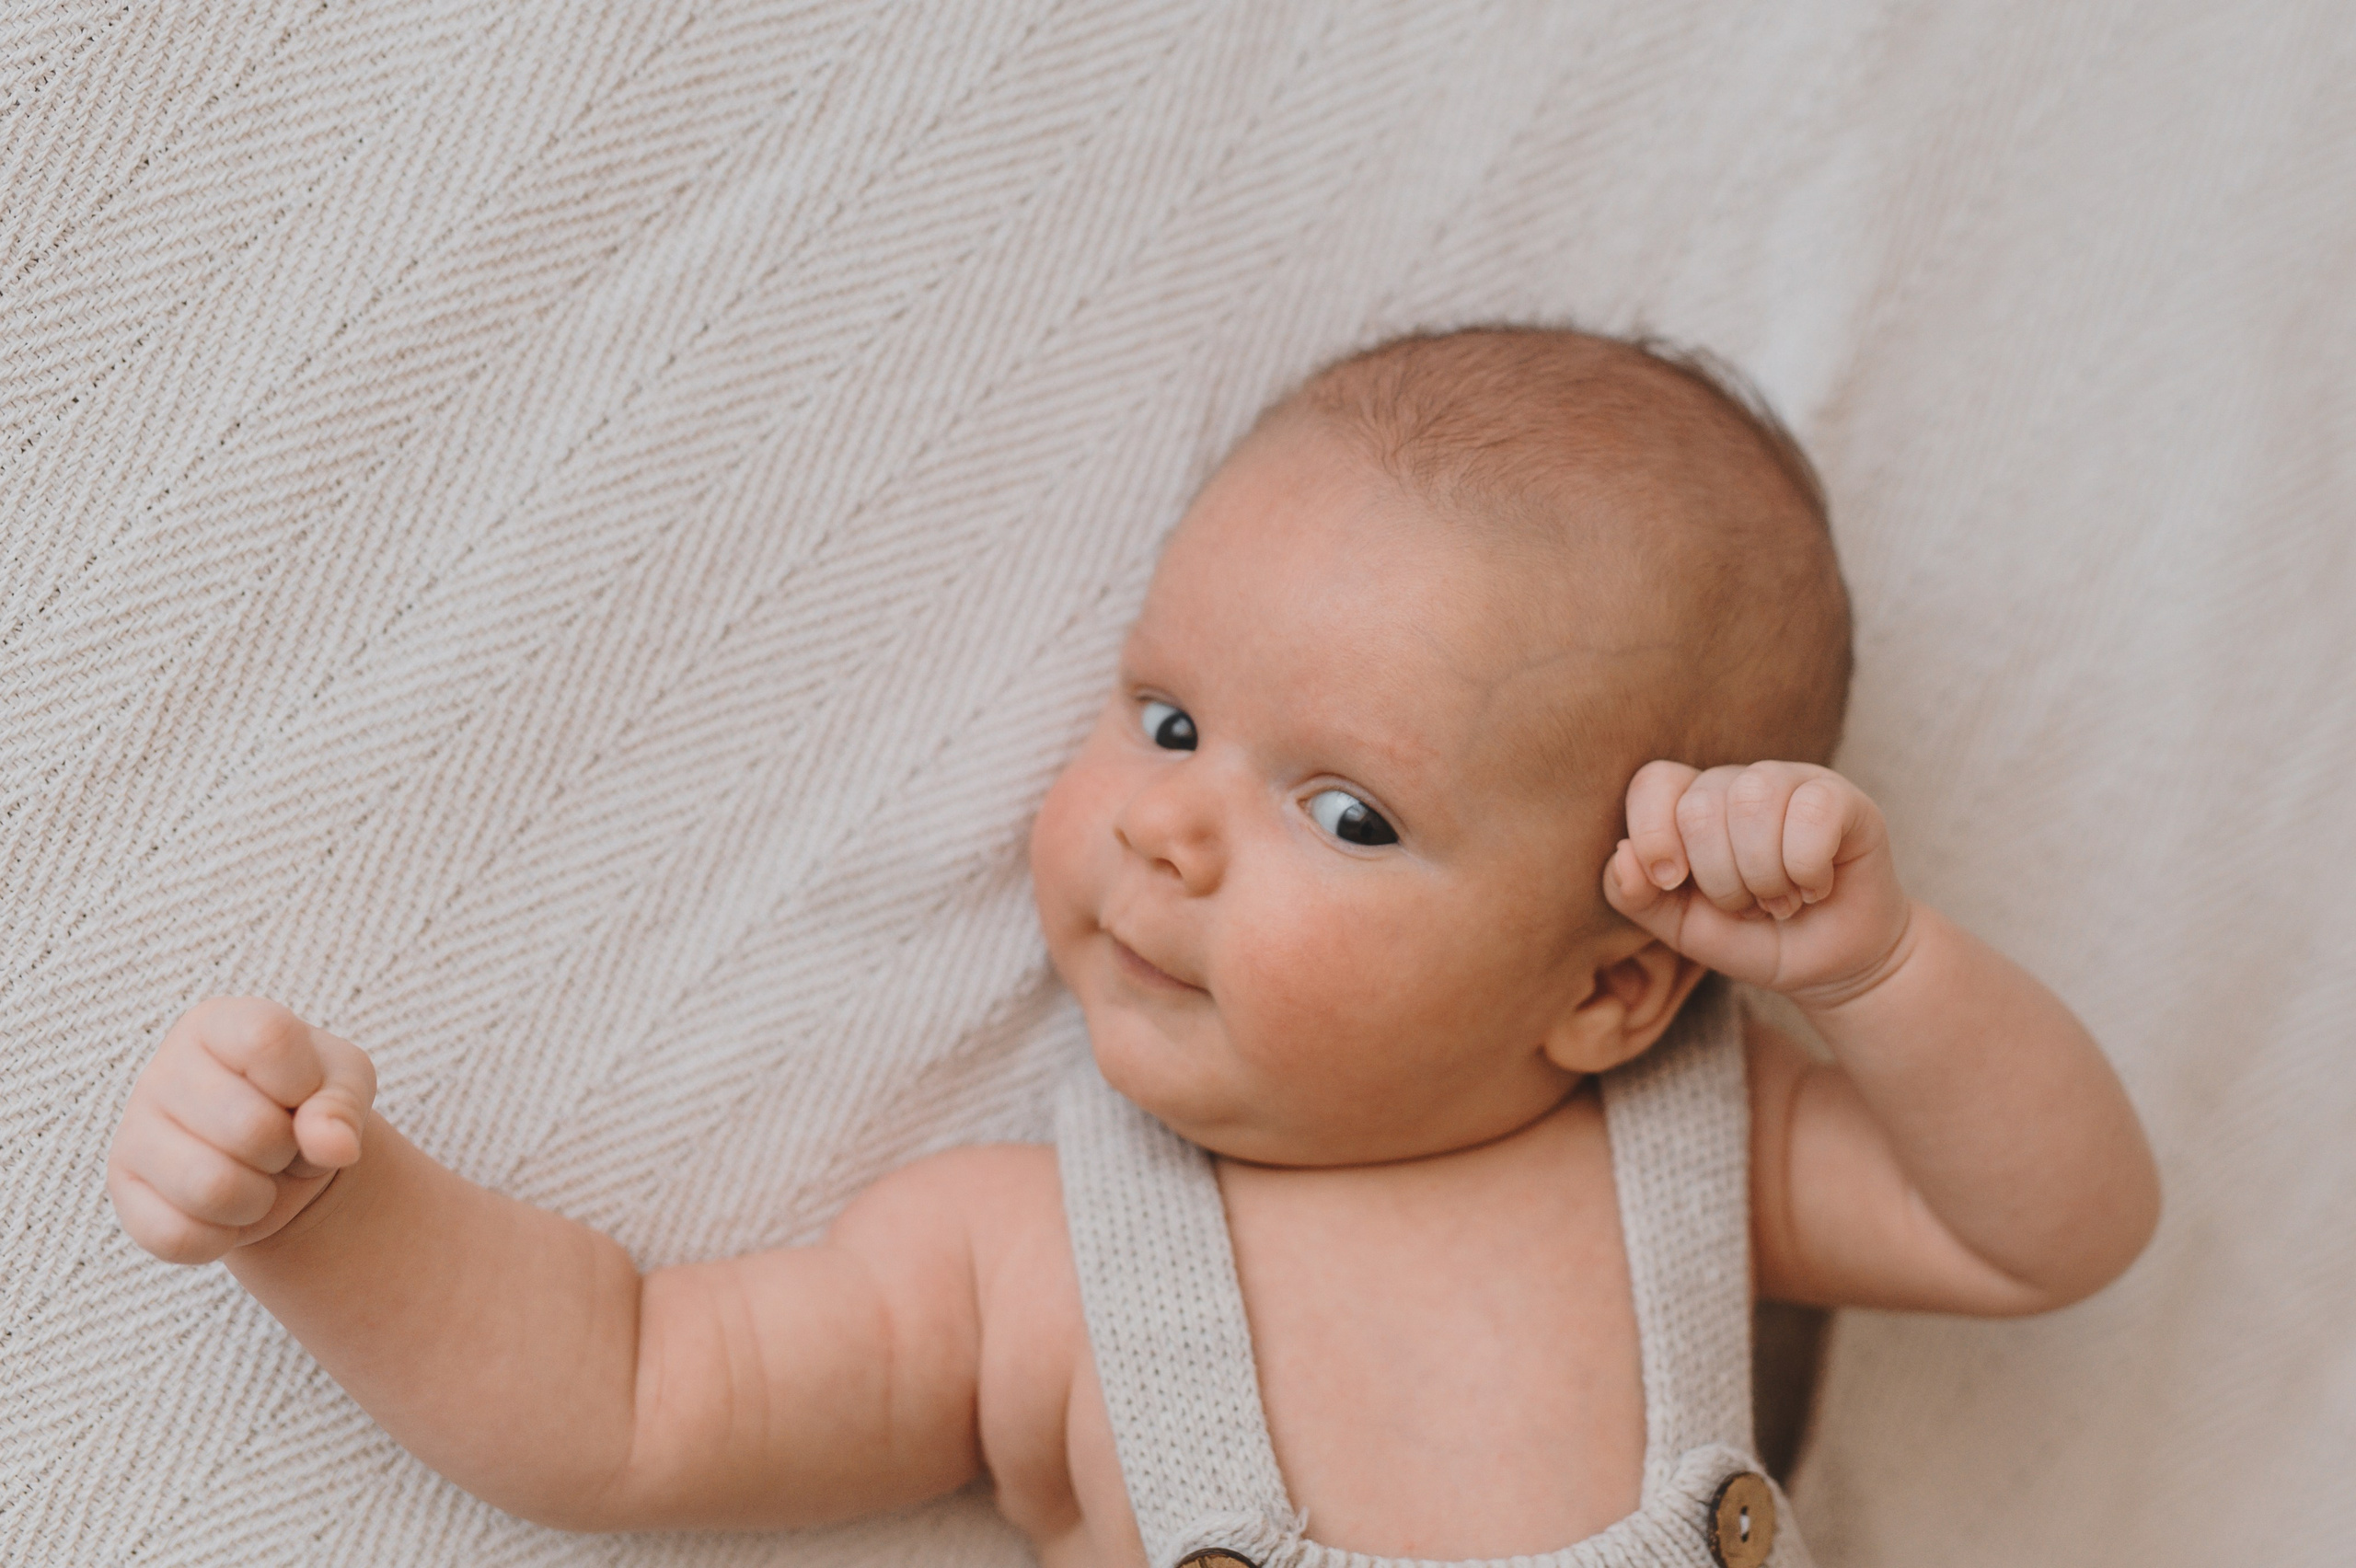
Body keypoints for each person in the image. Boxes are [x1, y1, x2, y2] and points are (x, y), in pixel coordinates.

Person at [106, 327, 2160, 1567]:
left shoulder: (1686, 1159)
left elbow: (2046, 1229)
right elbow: (626, 1400)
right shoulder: (1026, 1265)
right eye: (1169, 719)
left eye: (1343, 812)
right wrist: (321, 1220)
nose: (1168, 827)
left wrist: (1874, 973)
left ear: (1610, 988)